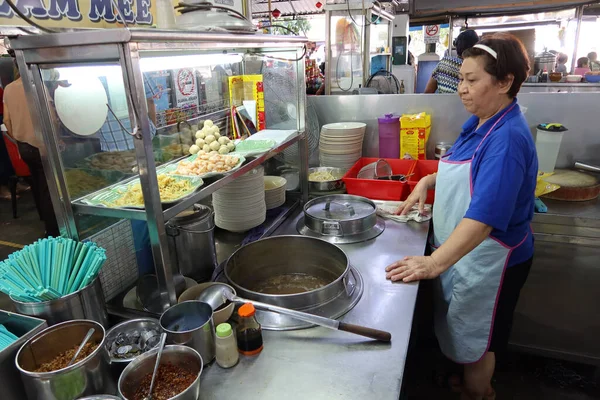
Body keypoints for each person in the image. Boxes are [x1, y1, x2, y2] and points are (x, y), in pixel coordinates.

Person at [386, 33, 537, 400]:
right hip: (469, 255)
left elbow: (484, 218)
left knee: (480, 341)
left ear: (505, 82)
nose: (462, 89)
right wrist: (427, 178)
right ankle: (470, 384)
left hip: (493, 261)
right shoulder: (484, 120)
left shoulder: (507, 140)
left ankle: (479, 392)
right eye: (462, 79)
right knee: (466, 332)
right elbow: (468, 168)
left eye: (472, 81)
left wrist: (433, 262)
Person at [4, 66, 59, 236]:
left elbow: (7, 120)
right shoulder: (36, 86)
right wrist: (57, 138)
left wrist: (19, 139)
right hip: (41, 146)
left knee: (37, 186)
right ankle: (53, 231)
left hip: (24, 147)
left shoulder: (8, 88)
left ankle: (45, 222)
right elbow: (51, 115)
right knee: (50, 190)